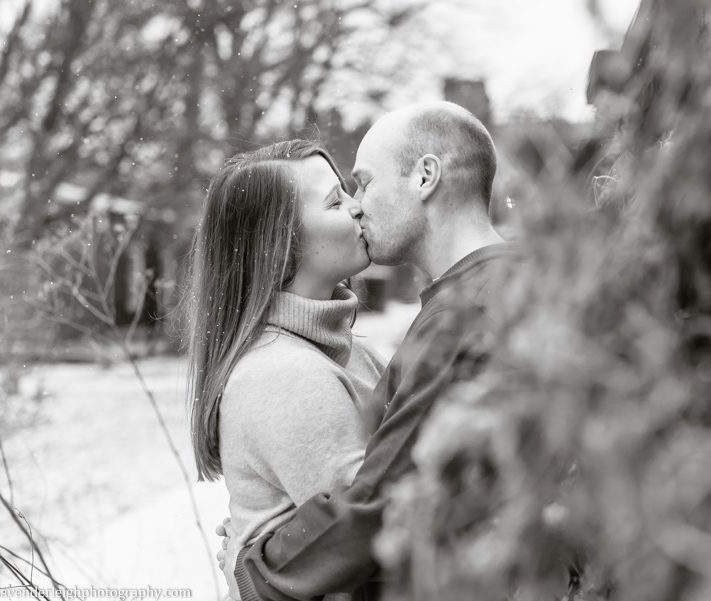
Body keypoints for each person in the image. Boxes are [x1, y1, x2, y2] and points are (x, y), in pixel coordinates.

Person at [220, 101, 524, 601]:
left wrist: (252, 569)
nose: (358, 204)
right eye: (342, 197)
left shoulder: (465, 313)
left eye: (362, 183)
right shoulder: (496, 287)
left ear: (426, 177)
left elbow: (380, 505)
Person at [183, 140, 388, 600]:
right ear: (281, 242)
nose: (359, 208)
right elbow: (382, 532)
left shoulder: (344, 351)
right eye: (336, 201)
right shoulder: (282, 374)